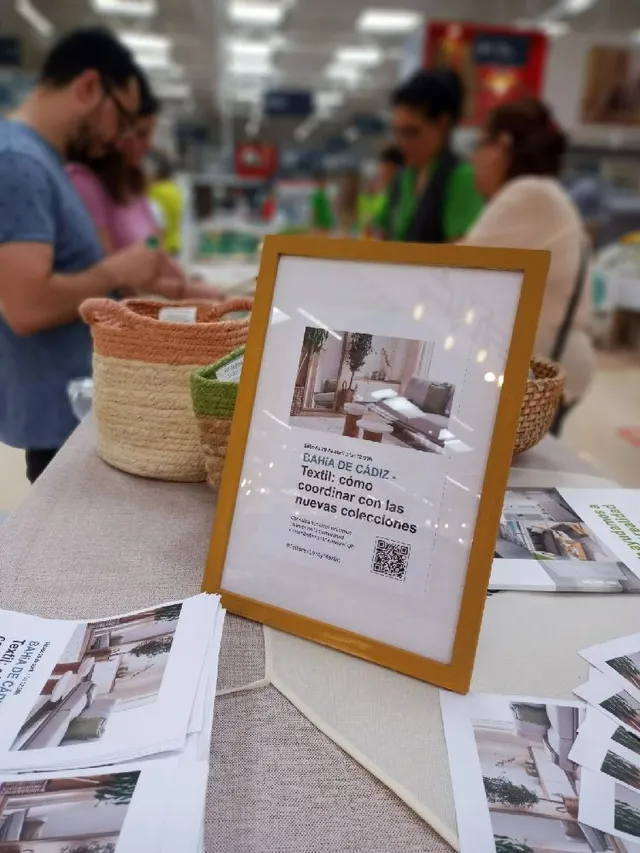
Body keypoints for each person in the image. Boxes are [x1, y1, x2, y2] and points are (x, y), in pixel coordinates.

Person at [0, 28, 185, 483]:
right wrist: (114, 271)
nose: (120, 137)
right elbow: (25, 308)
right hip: (60, 425)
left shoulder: (42, 162)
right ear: (88, 88)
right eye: (121, 118)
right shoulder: (19, 162)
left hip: (77, 414)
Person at [465, 98, 595, 434]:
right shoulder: (546, 194)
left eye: (478, 144)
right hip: (550, 360)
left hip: (542, 367)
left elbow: (458, 268)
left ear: (501, 146)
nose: (473, 158)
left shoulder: (528, 193)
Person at [377, 68, 484, 243]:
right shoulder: (403, 178)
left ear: (443, 123)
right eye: (397, 132)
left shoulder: (460, 177)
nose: (402, 143)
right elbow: (381, 233)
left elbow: (460, 252)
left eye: (411, 132)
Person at [66, 69, 161, 253]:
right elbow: (107, 266)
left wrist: (152, 252)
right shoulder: (83, 183)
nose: (149, 146)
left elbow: (155, 243)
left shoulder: (133, 187)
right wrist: (149, 254)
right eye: (141, 134)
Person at [149, 153, 186, 255]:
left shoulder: (154, 190)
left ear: (158, 173)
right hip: (175, 243)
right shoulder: (177, 191)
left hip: (158, 245)